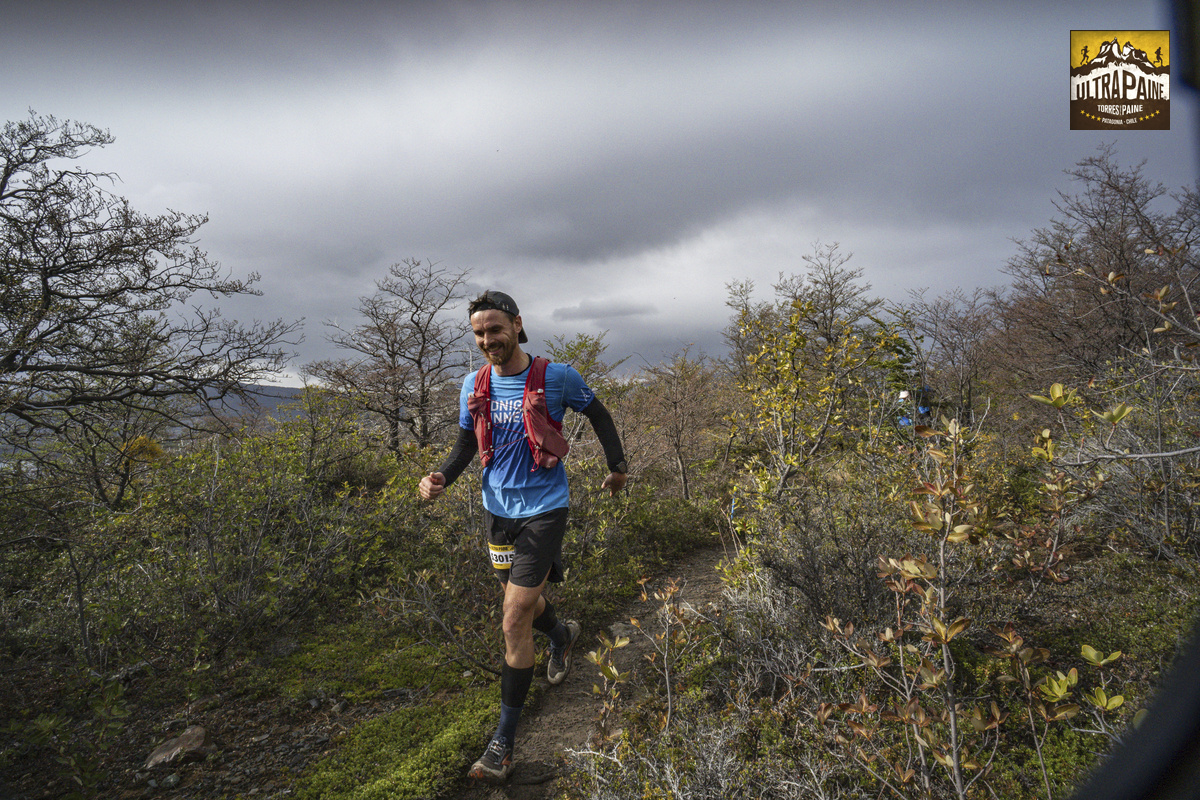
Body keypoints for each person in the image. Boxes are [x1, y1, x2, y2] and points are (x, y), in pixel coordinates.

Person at [418, 290, 628, 784]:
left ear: (516, 324)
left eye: (495, 329)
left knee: (513, 617)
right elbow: (467, 443)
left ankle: (502, 745)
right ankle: (561, 635)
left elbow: (599, 414)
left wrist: (617, 467)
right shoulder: (474, 383)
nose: (487, 339)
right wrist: (442, 476)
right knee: (525, 603)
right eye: (478, 332)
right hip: (497, 511)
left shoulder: (557, 376)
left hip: (546, 510)